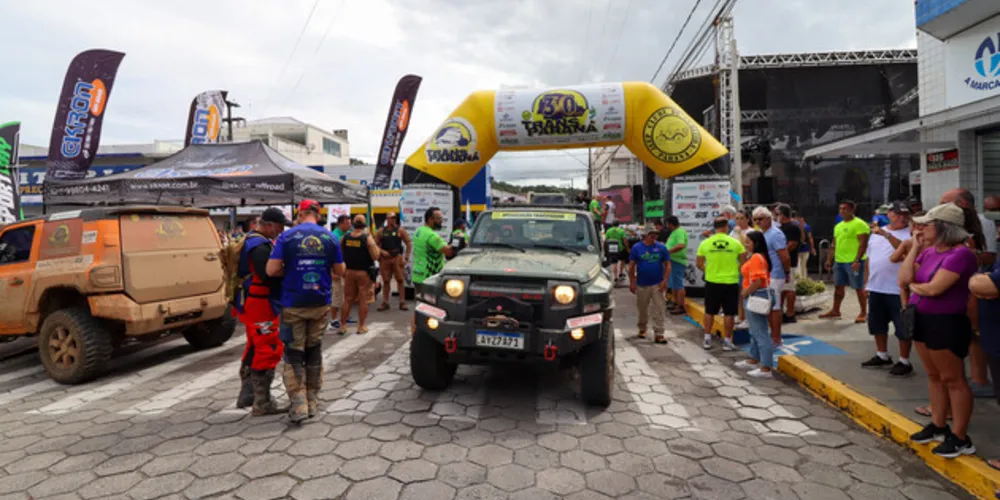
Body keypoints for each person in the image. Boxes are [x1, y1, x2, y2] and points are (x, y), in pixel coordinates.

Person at [899, 203, 979, 458]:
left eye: (927, 224)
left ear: (944, 227)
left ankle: (960, 436)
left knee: (953, 378)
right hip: (921, 318)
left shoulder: (961, 254)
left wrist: (914, 286)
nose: (921, 228)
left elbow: (935, 288)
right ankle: (938, 423)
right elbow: (903, 278)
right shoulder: (930, 251)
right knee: (934, 376)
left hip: (946, 321)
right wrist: (915, 249)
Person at [267, 199, 345, 423]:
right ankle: (312, 400)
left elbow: (271, 270)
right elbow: (340, 271)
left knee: (294, 352)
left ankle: (298, 403)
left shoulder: (287, 237)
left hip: (293, 303)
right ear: (317, 215)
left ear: (300, 214)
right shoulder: (330, 237)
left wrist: (290, 270)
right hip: (320, 302)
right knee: (314, 349)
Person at [234, 208, 291, 416]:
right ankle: (263, 403)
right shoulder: (258, 246)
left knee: (253, 346)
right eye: (280, 226)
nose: (281, 230)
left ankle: (247, 395)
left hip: (252, 302)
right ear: (269, 225)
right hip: (260, 305)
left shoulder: (251, 240)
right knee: (268, 347)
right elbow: (268, 274)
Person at [941, 188, 996, 399]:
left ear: (962, 204)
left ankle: (980, 379)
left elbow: (990, 256)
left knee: (975, 335)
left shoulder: (983, 223)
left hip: (978, 288)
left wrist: (959, 260)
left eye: (946, 202)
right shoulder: (953, 227)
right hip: (960, 287)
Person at [863, 201, 913, 376]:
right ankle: (882, 354)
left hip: (898, 288)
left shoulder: (910, 234)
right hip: (877, 286)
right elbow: (869, 258)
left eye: (905, 214)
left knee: (902, 326)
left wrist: (885, 234)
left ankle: (904, 360)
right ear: (889, 215)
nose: (902, 217)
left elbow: (904, 252)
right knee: (877, 324)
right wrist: (866, 282)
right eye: (898, 214)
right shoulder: (876, 234)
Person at [697, 217, 745, 351]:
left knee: (709, 311)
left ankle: (707, 339)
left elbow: (699, 263)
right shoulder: (736, 243)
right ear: (726, 227)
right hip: (731, 281)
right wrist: (734, 269)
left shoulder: (705, 243)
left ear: (714, 227)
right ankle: (727, 341)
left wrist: (710, 270)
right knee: (729, 313)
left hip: (712, 281)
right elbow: (744, 262)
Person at [735, 230, 776, 378]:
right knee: (754, 330)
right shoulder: (755, 256)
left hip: (756, 295)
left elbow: (758, 281)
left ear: (756, 243)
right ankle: (754, 359)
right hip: (755, 295)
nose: (745, 244)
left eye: (748, 242)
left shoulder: (757, 257)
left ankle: (766, 367)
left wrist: (745, 292)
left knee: (760, 332)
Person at [822, 200, 870, 323]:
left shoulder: (860, 224)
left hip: (854, 262)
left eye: (845, 209)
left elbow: (863, 243)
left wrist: (857, 260)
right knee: (838, 287)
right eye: (840, 209)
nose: (842, 211)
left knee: (859, 288)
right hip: (839, 261)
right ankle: (835, 310)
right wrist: (829, 259)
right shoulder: (838, 226)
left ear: (852, 210)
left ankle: (863, 312)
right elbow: (834, 244)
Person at [411, 207, 456, 333]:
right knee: (431, 310)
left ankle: (414, 334)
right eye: (439, 219)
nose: (441, 221)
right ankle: (425, 336)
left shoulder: (419, 231)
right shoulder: (432, 235)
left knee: (418, 308)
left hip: (417, 275)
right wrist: (457, 243)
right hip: (429, 277)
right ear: (430, 219)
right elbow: (448, 251)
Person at [751, 207, 790, 346]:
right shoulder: (763, 233)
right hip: (766, 275)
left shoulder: (775, 234)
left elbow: (784, 256)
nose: (757, 222)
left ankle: (776, 339)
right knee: (768, 308)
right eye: (755, 219)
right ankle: (772, 337)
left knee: (775, 308)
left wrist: (787, 273)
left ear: (768, 219)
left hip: (775, 275)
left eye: (760, 219)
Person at [339, 215, 381, 335]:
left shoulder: (345, 237)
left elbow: (339, 253)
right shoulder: (367, 238)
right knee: (363, 300)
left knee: (347, 299)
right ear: (364, 225)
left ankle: (342, 326)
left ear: (353, 224)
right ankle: (361, 326)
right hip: (363, 273)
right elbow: (376, 256)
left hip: (349, 272)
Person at [629, 227, 671, 344]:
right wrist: (632, 282)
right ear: (645, 235)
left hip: (657, 284)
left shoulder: (661, 248)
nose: (653, 236)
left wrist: (665, 281)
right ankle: (642, 328)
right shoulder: (637, 248)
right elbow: (631, 266)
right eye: (650, 234)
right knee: (642, 309)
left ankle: (659, 333)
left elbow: (668, 265)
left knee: (659, 309)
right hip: (642, 284)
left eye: (655, 234)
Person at [375, 212, 411, 311]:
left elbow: (408, 242)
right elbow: (375, 244)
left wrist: (406, 257)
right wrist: (382, 251)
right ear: (387, 219)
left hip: (397, 257)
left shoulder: (400, 230)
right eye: (391, 218)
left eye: (394, 218)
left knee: (400, 280)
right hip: (385, 259)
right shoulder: (381, 231)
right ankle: (385, 302)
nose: (393, 220)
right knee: (386, 281)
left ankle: (402, 302)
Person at [776, 204, 801, 324]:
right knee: (781, 289)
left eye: (777, 214)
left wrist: (781, 254)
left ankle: (790, 313)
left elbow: (792, 244)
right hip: (780, 262)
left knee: (789, 288)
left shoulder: (793, 227)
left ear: (782, 214)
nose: (776, 217)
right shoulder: (782, 227)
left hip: (789, 262)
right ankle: (780, 312)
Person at [329, 214, 352, 330]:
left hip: (345, 269)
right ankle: (333, 319)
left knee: (346, 295)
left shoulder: (348, 234)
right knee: (337, 295)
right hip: (336, 270)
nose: (350, 225)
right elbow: (330, 255)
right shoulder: (334, 236)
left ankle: (345, 316)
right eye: (347, 223)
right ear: (341, 224)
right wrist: (332, 272)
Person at [664, 216, 688, 315]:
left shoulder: (679, 232)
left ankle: (681, 306)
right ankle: (675, 302)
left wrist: (668, 251)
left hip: (677, 261)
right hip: (672, 260)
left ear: (670, 224)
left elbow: (681, 245)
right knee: (674, 283)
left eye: (667, 224)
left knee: (678, 284)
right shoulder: (674, 232)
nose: (667, 226)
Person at [795, 212, 816, 279]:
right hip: (803, 249)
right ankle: (803, 279)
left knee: (801, 266)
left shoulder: (805, 226)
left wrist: (812, 248)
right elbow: (810, 238)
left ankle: (802, 279)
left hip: (802, 249)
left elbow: (810, 238)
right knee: (802, 266)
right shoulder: (805, 226)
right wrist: (812, 248)